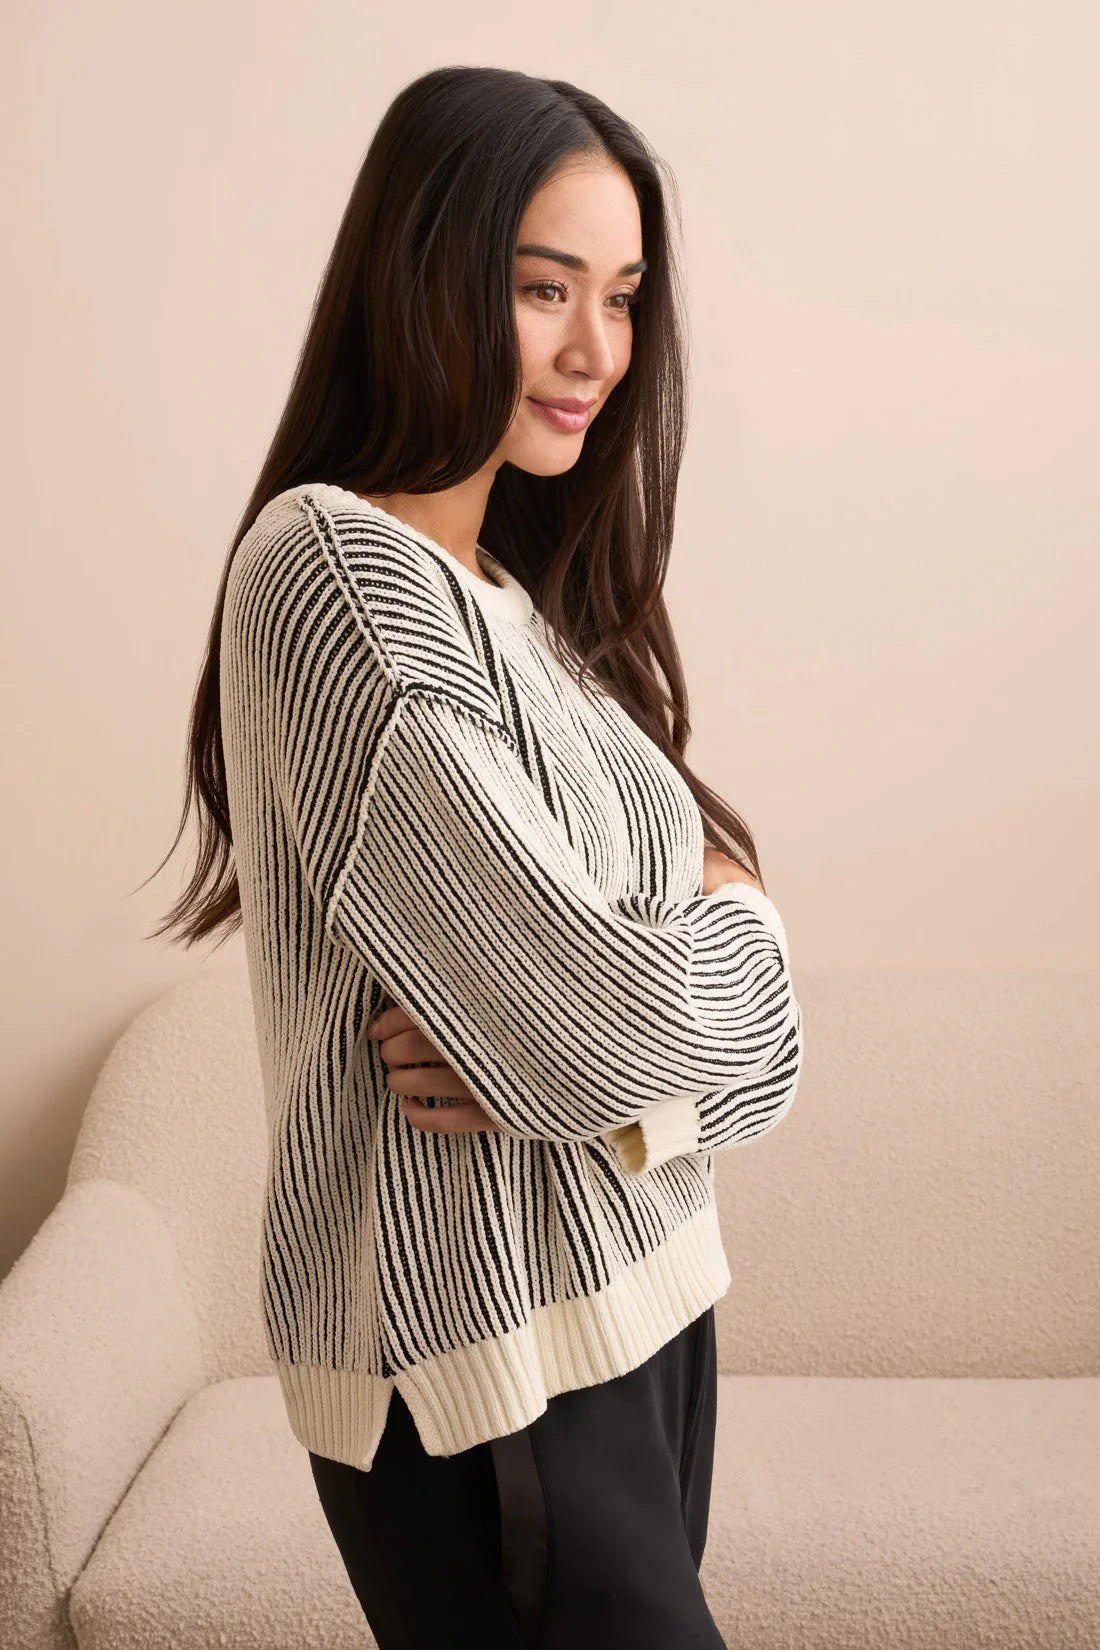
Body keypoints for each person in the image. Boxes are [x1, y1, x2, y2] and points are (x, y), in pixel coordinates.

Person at [153, 64, 804, 1650]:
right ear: (424, 274)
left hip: (641, 1302)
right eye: (543, 288)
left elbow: (725, 1034)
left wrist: (666, 1002)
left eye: (625, 295)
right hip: (494, 1356)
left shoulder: (512, 598)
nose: (599, 350)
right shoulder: (338, 571)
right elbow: (599, 1005)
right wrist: (704, 958)